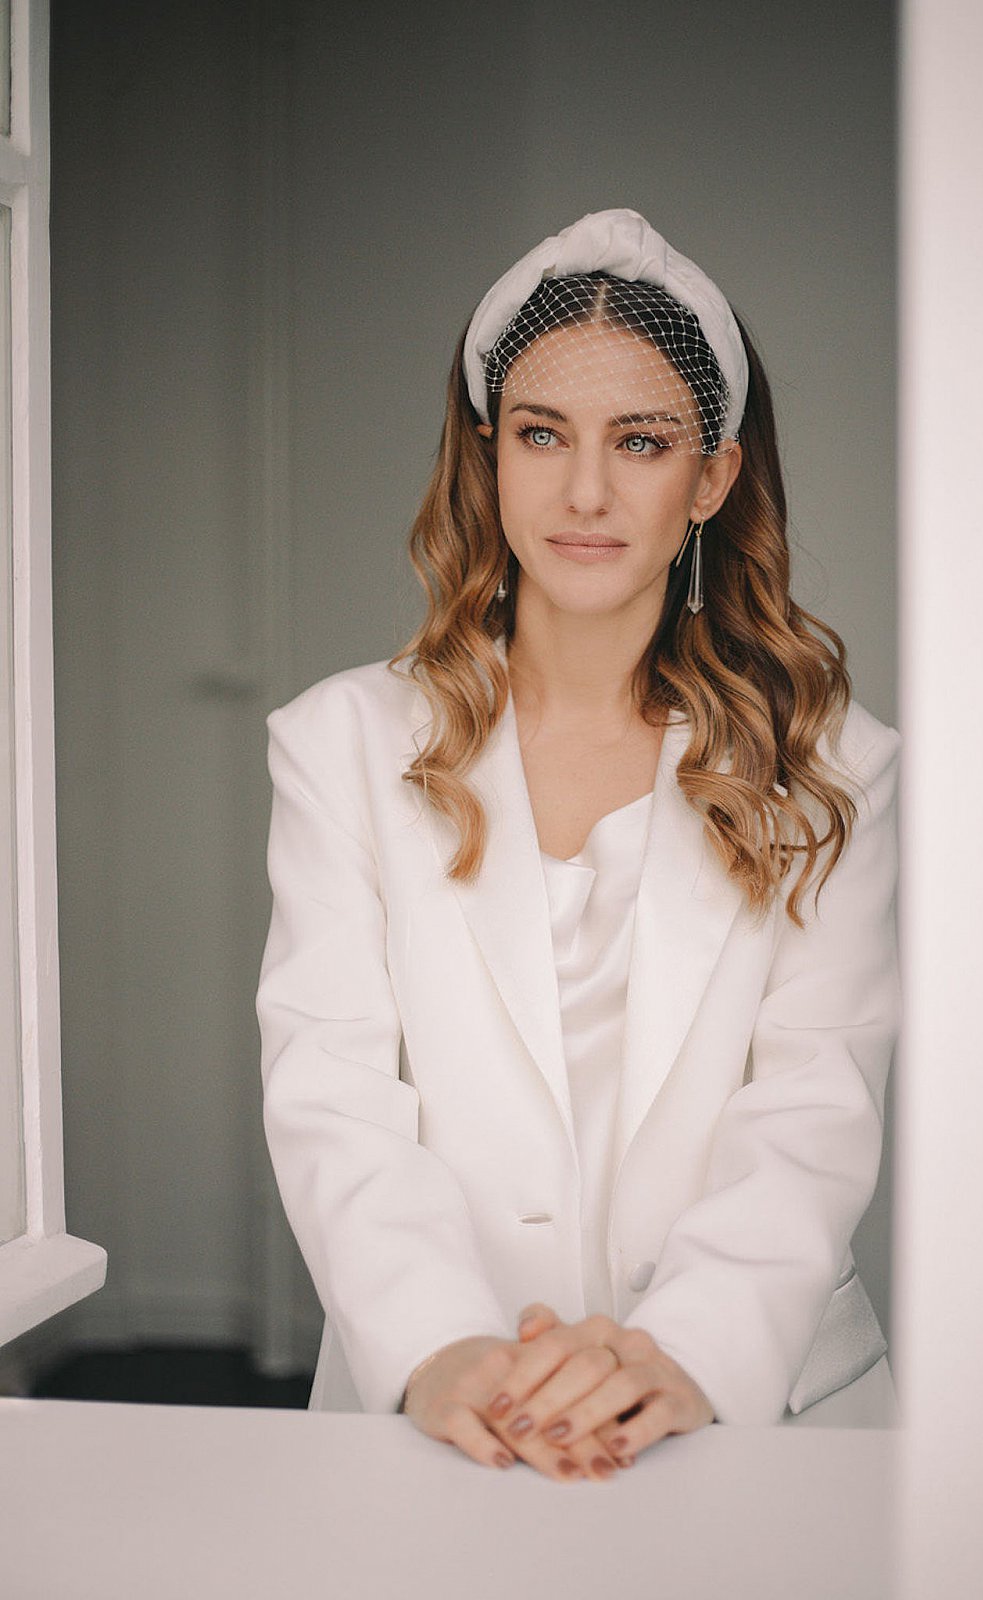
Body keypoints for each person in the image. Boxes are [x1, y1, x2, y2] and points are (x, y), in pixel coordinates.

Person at [256, 208, 900, 1484]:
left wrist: (687, 1354)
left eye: (641, 441)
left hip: (752, 1411)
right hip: (444, 1408)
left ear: (710, 478)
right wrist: (440, 1345)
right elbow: (330, 1091)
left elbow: (812, 1106)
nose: (585, 492)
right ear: (488, 455)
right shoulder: (340, 742)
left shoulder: (832, 763)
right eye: (541, 434)